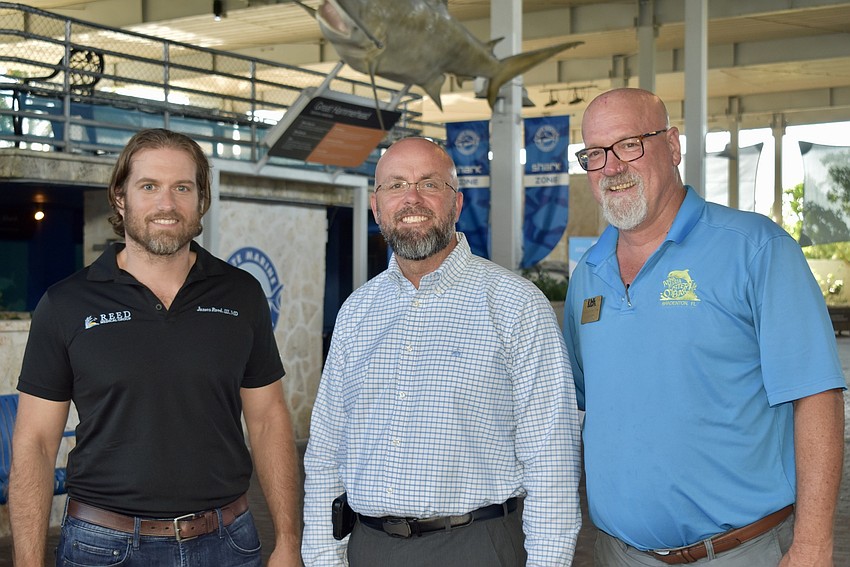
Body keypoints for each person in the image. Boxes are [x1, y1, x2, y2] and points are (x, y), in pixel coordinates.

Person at [564, 88, 846, 566]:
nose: (611, 167)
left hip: (741, 552)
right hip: (617, 554)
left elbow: (817, 397)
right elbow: (576, 406)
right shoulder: (588, 275)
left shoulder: (756, 250)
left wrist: (814, 544)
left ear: (672, 147)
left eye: (629, 144)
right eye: (594, 154)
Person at [9, 128, 302, 566]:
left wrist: (288, 541)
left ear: (201, 200)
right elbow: (34, 442)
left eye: (182, 188)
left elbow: (268, 421)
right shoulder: (67, 303)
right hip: (103, 546)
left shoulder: (241, 294)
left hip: (228, 542)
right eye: (149, 186)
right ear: (120, 197)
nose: (167, 204)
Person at [301, 137, 582, 567]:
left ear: (457, 204)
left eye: (428, 183)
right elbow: (326, 451)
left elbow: (552, 462)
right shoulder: (357, 311)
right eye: (395, 186)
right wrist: (323, 556)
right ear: (377, 207)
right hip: (368, 546)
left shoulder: (515, 305)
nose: (411, 198)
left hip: (476, 547)